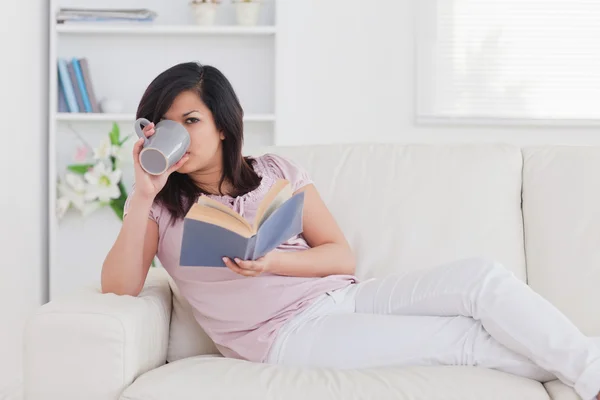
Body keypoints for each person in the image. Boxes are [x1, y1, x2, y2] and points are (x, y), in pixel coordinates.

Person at [102, 61, 600, 400]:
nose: (178, 136)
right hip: (286, 337)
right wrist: (142, 194)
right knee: (459, 340)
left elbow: (341, 257)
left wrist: (274, 262)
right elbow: (119, 287)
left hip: (341, 297)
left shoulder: (275, 172)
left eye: (191, 119)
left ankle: (588, 365)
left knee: (482, 279)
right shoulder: (160, 206)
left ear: (223, 126)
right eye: (164, 124)